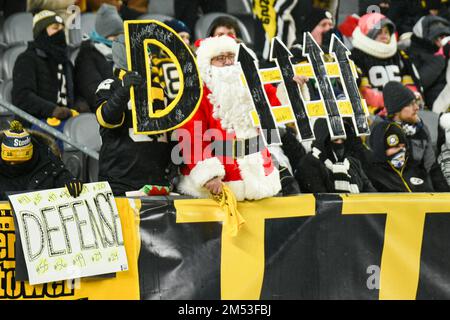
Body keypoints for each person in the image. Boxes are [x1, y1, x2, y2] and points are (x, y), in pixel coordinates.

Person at [176, 35, 285, 200]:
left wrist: (291, 87)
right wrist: (208, 174)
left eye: (231, 57)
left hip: (260, 177)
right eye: (220, 58)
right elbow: (192, 136)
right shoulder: (195, 94)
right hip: (221, 185)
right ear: (207, 64)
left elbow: (278, 108)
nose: (227, 62)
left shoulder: (251, 83)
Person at [95, 34, 174, 196]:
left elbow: (170, 130)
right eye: (142, 51)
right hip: (121, 183)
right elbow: (106, 118)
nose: (149, 56)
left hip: (157, 182)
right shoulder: (110, 85)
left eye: (149, 52)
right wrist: (124, 90)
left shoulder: (160, 88)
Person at [12, 10, 88, 150]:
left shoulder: (66, 63)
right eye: (55, 28)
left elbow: (77, 94)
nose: (60, 32)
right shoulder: (27, 59)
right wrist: (53, 110)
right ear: (42, 32)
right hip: (37, 123)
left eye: (62, 29)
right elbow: (21, 97)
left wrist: (79, 106)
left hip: (67, 120)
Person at [380, 81, 450, 191]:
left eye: (415, 103)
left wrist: (445, 197)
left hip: (422, 189)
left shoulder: (421, 129)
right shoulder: (382, 131)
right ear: (397, 110)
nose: (416, 107)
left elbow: (432, 167)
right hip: (396, 194)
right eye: (410, 104)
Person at [351, 13, 419, 115]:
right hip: (373, 113)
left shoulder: (399, 54)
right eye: (379, 32)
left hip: (402, 108)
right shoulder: (356, 56)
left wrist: (407, 100)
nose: (384, 35)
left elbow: (410, 83)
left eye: (387, 32)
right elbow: (363, 92)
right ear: (368, 33)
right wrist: (394, 103)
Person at [0, 120, 83, 200]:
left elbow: (62, 175)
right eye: (9, 160)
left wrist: (69, 180)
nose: (13, 163)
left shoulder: (48, 161)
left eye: (19, 161)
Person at [295, 118, 376, 193]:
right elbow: (322, 200)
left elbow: (371, 194)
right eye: (335, 139)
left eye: (343, 139)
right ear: (323, 139)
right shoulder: (309, 164)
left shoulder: (353, 163)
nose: (340, 143)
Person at [75, 4, 123, 112]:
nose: (118, 39)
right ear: (103, 35)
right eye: (114, 35)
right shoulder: (87, 54)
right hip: (101, 112)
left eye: (121, 35)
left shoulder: (125, 52)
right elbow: (93, 93)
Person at [368, 119, 434, 192]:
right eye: (395, 147)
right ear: (380, 148)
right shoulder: (372, 176)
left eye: (403, 147)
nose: (401, 151)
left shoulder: (416, 169)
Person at [406, 15, 450, 111]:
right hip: (433, 104)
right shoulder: (413, 53)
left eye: (445, 36)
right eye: (438, 37)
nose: (441, 40)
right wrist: (441, 57)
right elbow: (419, 83)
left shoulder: (447, 49)